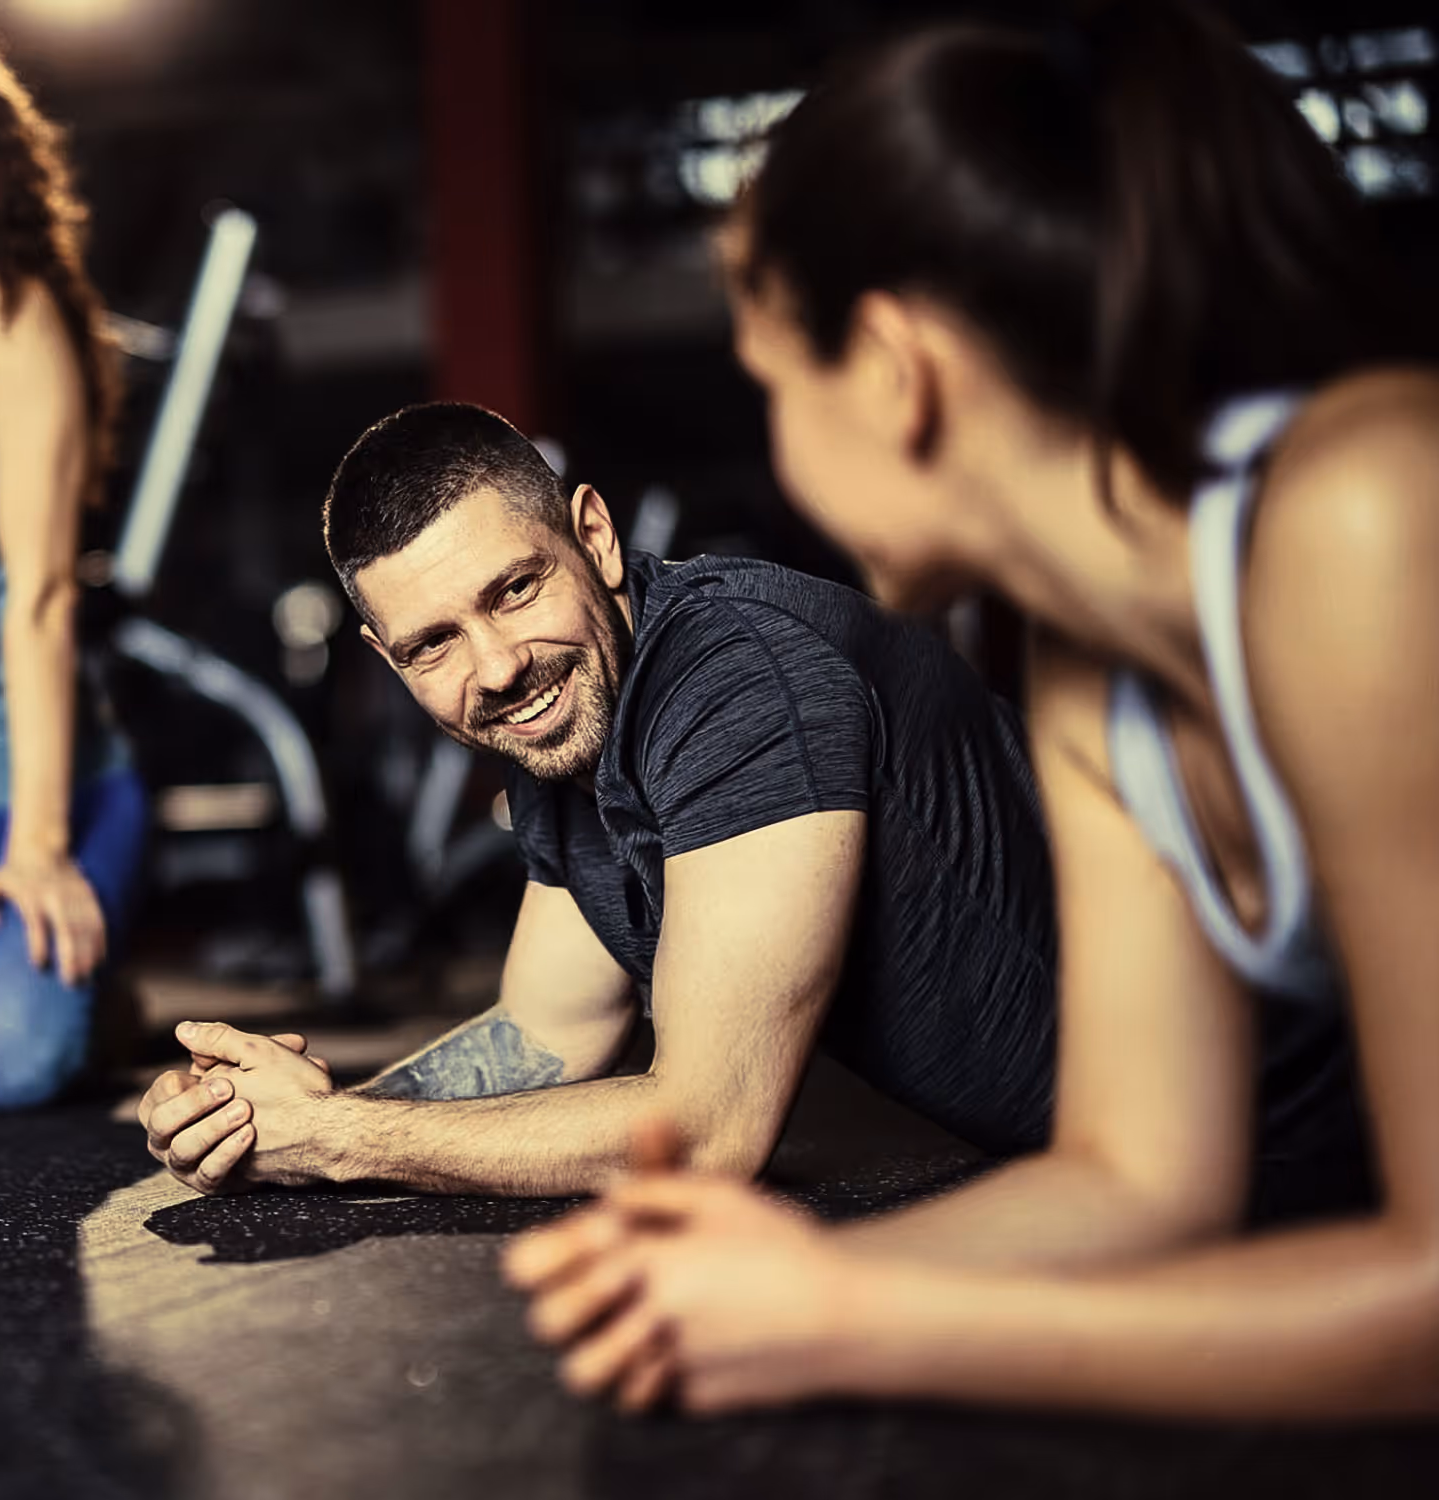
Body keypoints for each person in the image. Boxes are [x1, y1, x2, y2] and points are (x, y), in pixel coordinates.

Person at [504, 0, 1439, 1422]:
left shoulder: (1368, 515)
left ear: (892, 372)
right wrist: (747, 1283)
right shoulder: (1096, 666)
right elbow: (1140, 1181)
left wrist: (858, 1319)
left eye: (768, 380)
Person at [135, 399, 1067, 1194]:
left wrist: (338, 1142)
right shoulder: (566, 736)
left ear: (596, 538)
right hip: (1088, 1175)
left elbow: (707, 1133)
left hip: (1191, 1142)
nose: (496, 667)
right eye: (434, 644)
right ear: (388, 659)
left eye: (514, 589)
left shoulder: (736, 679)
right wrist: (277, 1119)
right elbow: (550, 1031)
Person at [0, 9, 147, 1108]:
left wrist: (38, 847)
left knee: (12, 1057)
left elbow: (44, 597)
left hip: (23, 792)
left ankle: (98, 992)